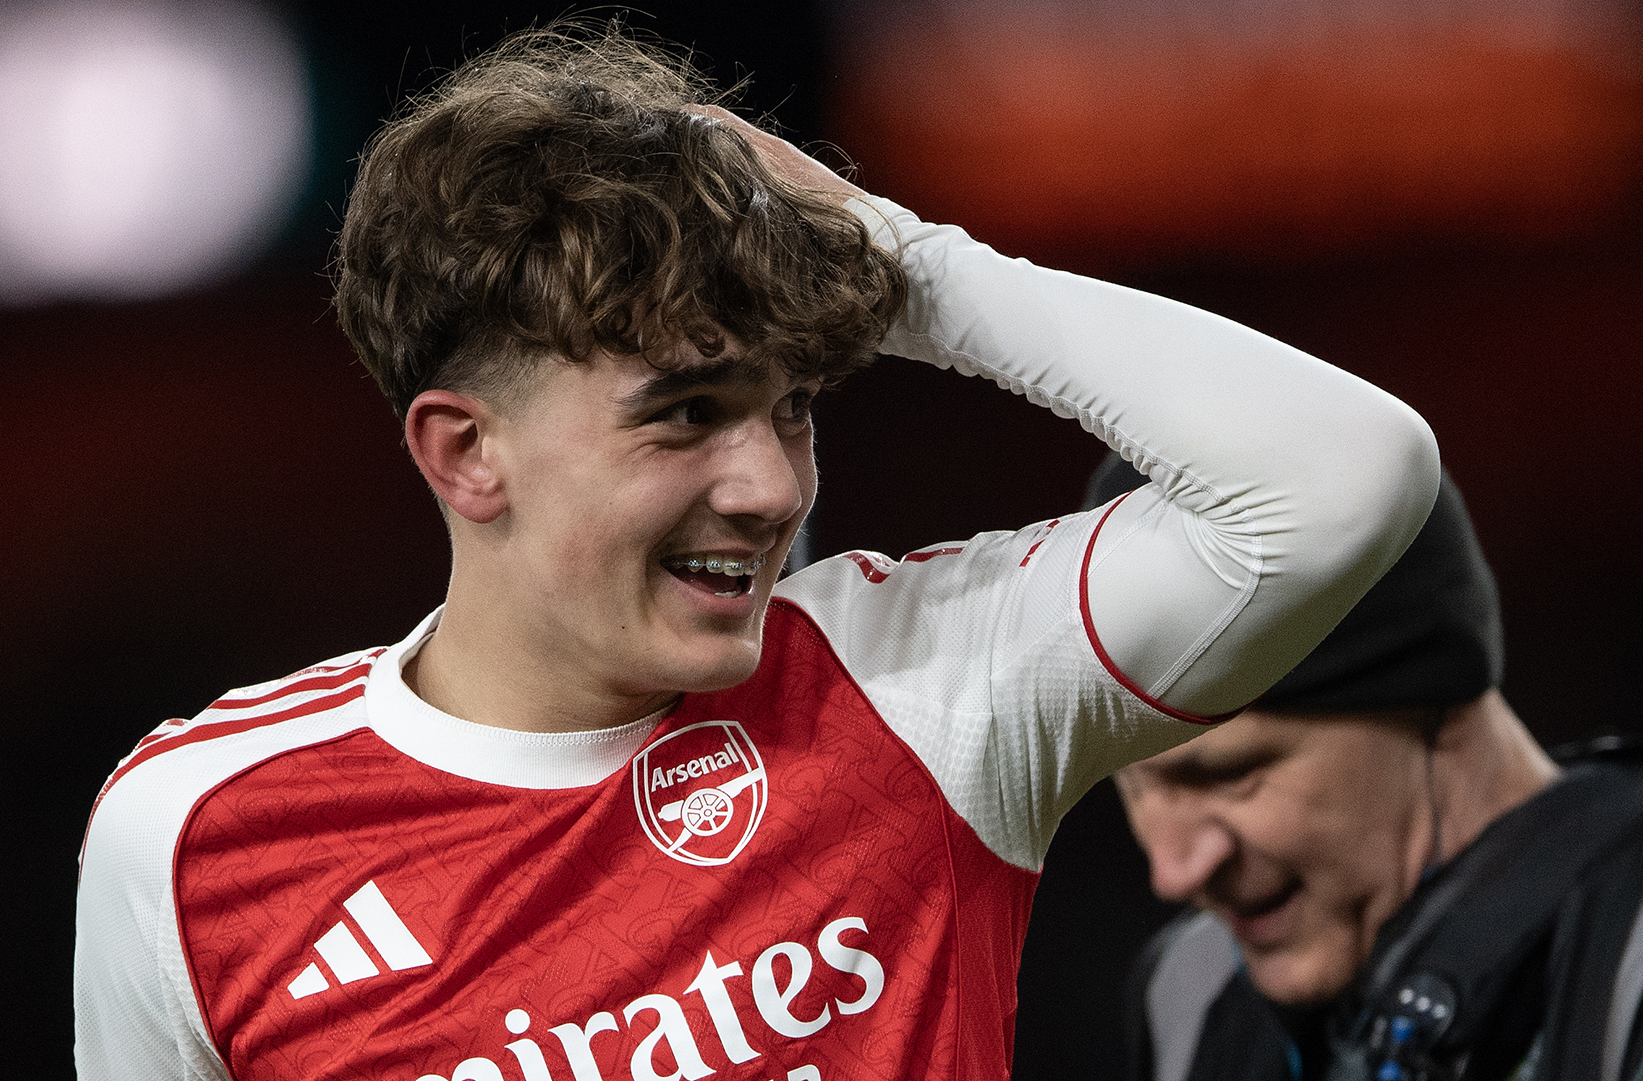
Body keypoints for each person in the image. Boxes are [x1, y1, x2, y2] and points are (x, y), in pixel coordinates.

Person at [73, 24, 1438, 1081]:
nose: (772, 482)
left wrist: (922, 272)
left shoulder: (923, 687)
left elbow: (1341, 481)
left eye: (790, 406)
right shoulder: (197, 834)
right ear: (463, 453)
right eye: (685, 415)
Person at [1104, 456, 1643, 1081]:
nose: (1171, 873)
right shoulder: (1190, 995)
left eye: (1232, 774)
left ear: (1433, 696)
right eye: (1129, 779)